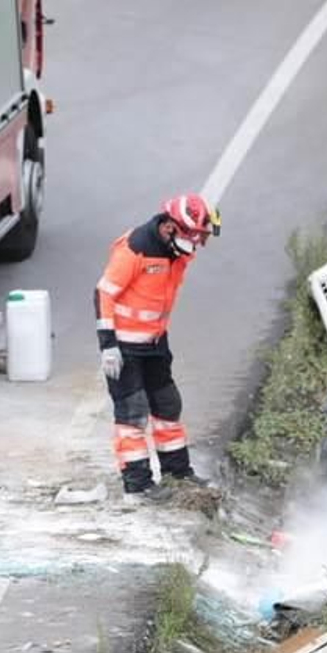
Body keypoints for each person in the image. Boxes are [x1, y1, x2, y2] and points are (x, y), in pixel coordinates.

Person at [94, 192, 221, 497]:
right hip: (124, 347)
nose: (198, 245)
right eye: (196, 237)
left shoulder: (177, 251)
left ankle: (178, 473)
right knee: (133, 413)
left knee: (167, 405)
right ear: (169, 228)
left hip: (155, 344)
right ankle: (138, 486)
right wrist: (108, 345)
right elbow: (103, 294)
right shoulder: (135, 249)